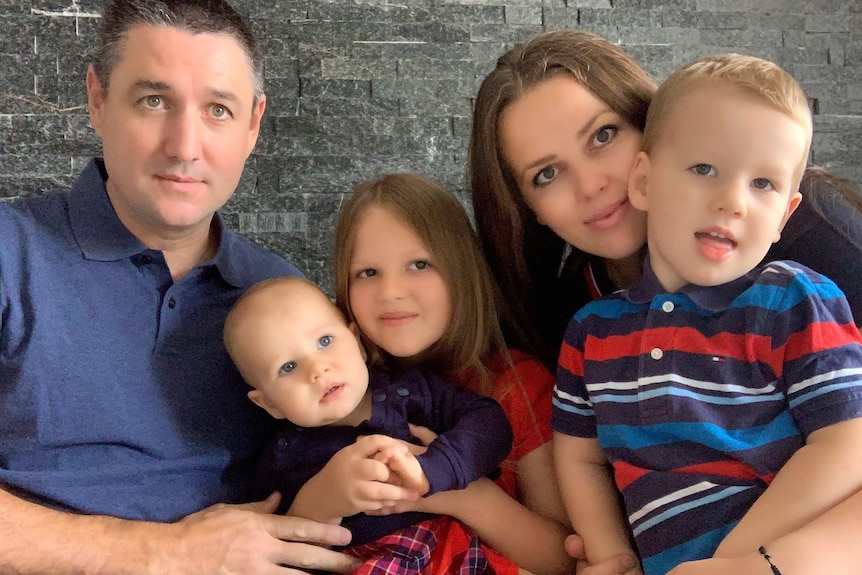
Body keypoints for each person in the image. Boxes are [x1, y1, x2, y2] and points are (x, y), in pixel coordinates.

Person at [0, 1, 359, 573]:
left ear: (253, 125)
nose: (185, 146)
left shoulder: (285, 302)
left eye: (218, 109)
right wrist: (166, 553)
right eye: (153, 101)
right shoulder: (10, 251)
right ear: (97, 99)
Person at [552, 53, 862, 575]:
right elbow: (579, 457)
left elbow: (848, 442)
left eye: (762, 184)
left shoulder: (794, 297)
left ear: (785, 214)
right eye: (704, 169)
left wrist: (739, 559)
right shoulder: (591, 331)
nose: (732, 201)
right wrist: (612, 555)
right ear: (644, 182)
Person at [469, 30, 862, 370]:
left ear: (649, 125)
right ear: (526, 209)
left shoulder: (804, 232)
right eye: (546, 175)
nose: (590, 186)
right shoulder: (575, 320)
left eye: (603, 136)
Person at [332, 173, 638, 575]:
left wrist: (452, 492)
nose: (391, 291)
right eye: (368, 273)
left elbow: (565, 555)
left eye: (419, 264)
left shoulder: (517, 386)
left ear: (461, 271)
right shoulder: (336, 389)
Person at [223, 276, 525, 575]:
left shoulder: (413, 393)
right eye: (288, 367)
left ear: (357, 343)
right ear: (269, 404)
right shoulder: (282, 459)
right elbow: (280, 555)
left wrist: (436, 467)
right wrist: (321, 501)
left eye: (325, 341)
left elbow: (490, 423)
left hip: (455, 553)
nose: (317, 369)